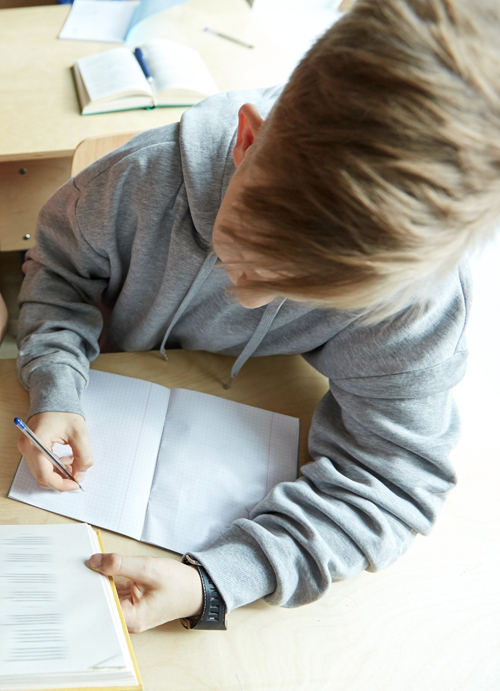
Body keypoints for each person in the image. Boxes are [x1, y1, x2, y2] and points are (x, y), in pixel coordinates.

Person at [16, 0, 500, 632]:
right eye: (241, 258)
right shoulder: (135, 182)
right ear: (245, 141)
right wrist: (56, 378)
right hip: (112, 375)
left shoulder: (415, 298)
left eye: (308, 294)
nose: (247, 300)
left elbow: (392, 481)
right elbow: (57, 271)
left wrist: (215, 581)